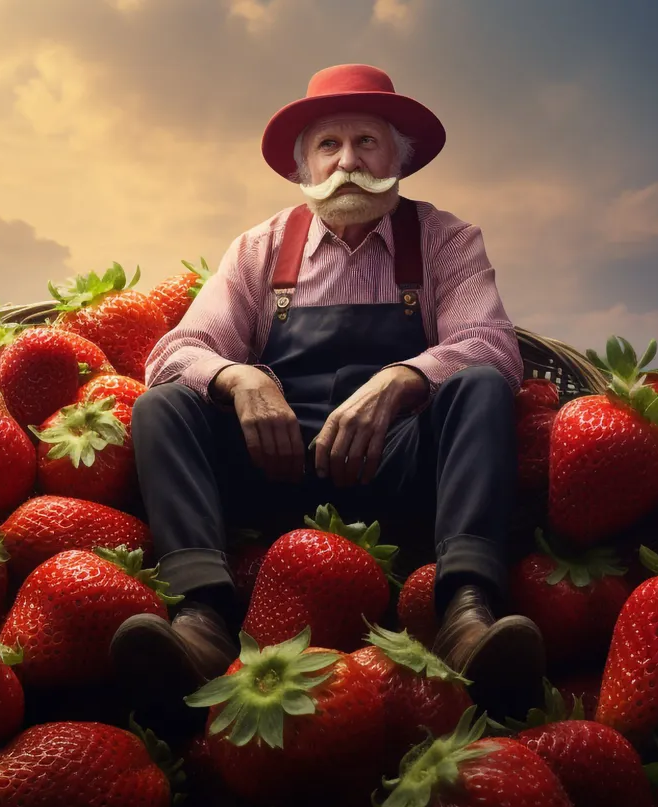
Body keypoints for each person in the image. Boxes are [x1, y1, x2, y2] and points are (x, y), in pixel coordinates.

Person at [109, 63, 545, 723]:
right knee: (162, 405)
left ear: (399, 157)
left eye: (367, 141)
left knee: (480, 386)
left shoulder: (446, 240)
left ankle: (465, 615)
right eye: (329, 145)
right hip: (274, 461)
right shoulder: (258, 250)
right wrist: (239, 376)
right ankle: (201, 619)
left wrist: (402, 380)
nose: (349, 161)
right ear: (302, 169)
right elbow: (172, 354)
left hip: (399, 465)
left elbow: (491, 343)